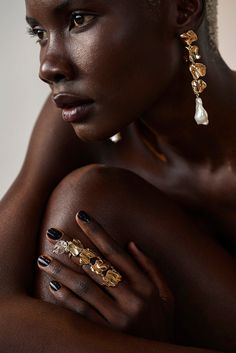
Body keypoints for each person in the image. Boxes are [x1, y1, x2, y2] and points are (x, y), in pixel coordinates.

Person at [0, 0, 235, 352]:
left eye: (78, 20)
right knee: (88, 202)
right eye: (39, 34)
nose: (48, 66)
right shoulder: (73, 125)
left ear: (183, 9)